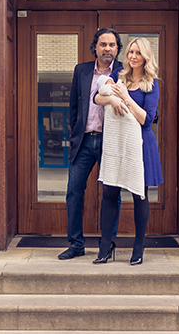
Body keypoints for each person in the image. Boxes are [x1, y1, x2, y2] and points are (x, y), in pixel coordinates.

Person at [92, 36, 163, 265]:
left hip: (141, 144)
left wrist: (125, 98)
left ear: (145, 57)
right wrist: (112, 100)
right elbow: (97, 98)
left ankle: (139, 247)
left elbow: (146, 119)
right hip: (117, 142)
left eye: (138, 53)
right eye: (131, 52)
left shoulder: (151, 84)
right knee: (110, 193)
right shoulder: (118, 75)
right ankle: (105, 247)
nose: (133, 56)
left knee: (139, 196)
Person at [57, 28, 123, 260]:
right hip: (84, 141)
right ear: (95, 46)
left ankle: (107, 245)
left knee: (111, 193)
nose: (107, 48)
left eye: (112, 45)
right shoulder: (81, 71)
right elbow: (73, 106)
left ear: (117, 48)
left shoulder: (124, 72)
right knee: (73, 192)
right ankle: (76, 244)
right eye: (103, 44)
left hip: (111, 142)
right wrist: (74, 133)